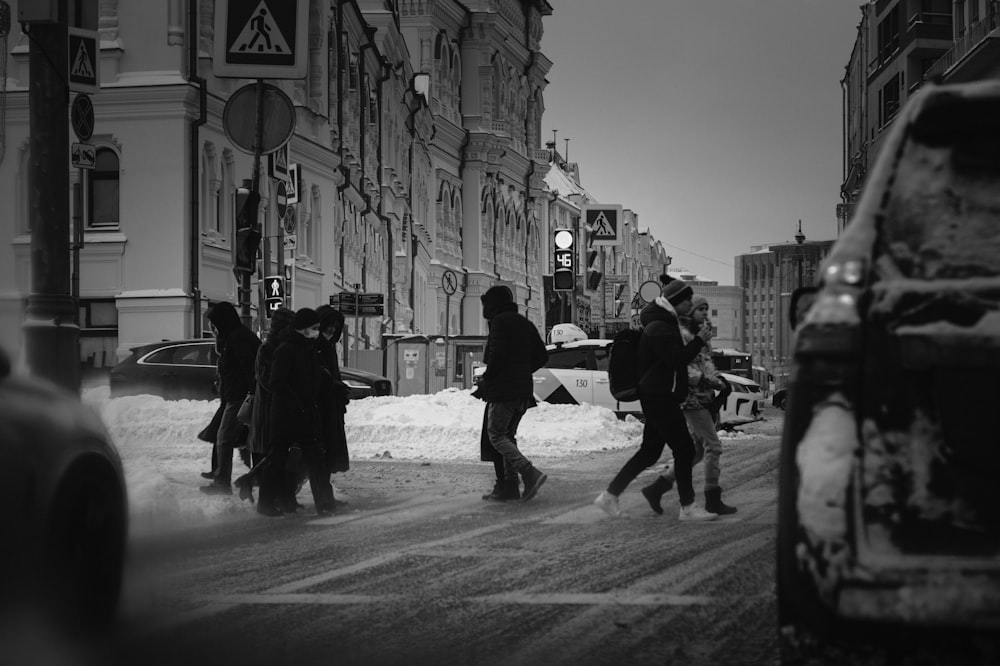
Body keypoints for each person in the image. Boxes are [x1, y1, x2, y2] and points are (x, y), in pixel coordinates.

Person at [593, 277, 718, 521]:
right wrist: (700, 340)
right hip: (660, 396)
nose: (690, 305)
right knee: (684, 450)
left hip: (659, 395)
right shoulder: (660, 326)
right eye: (687, 301)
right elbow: (676, 359)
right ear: (675, 302)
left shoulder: (663, 322)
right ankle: (688, 507)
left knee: (650, 452)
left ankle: (609, 496)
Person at [640, 295, 737, 516]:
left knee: (695, 452)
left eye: (706, 308)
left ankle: (657, 488)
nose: (704, 313)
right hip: (692, 399)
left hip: (704, 397)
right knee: (714, 446)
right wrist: (713, 382)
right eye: (700, 309)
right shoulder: (683, 335)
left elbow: (706, 364)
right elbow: (685, 368)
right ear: (689, 312)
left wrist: (720, 379)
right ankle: (712, 497)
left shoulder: (701, 335)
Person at [475, 285, 549, 502]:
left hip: (504, 391)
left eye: (486, 303)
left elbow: (496, 358)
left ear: (493, 304)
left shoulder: (499, 322)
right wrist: (522, 372)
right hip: (523, 391)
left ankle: (529, 473)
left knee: (496, 436)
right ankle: (509, 487)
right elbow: (542, 356)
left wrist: (488, 379)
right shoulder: (524, 322)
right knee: (507, 437)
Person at [269, 307, 335, 515]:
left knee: (315, 461)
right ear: (302, 329)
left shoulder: (307, 348)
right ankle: (267, 503)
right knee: (277, 460)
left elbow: (312, 378)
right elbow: (277, 383)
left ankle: (324, 503)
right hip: (287, 415)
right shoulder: (286, 349)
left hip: (304, 413)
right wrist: (297, 403)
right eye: (313, 328)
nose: (317, 332)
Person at [234, 307, 295, 516]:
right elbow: (268, 380)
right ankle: (261, 495)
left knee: (277, 457)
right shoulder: (268, 349)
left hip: (279, 408)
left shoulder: (284, 347)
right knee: (269, 456)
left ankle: (274, 496)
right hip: (267, 409)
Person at [201, 301, 260, 495]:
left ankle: (222, 482)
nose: (213, 327)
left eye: (215, 322)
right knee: (226, 436)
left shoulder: (237, 338)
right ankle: (223, 475)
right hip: (234, 396)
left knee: (225, 437)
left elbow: (249, 367)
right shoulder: (234, 336)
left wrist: (251, 393)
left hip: (238, 397)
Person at [315, 305, 351, 493]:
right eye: (329, 325)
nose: (332, 330)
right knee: (320, 453)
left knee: (327, 452)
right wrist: (333, 386)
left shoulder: (328, 346)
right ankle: (323, 496)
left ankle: (324, 493)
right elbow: (318, 375)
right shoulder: (316, 346)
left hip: (331, 407)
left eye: (335, 327)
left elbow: (331, 374)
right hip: (320, 408)